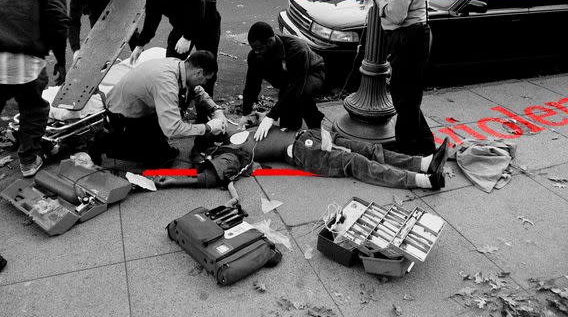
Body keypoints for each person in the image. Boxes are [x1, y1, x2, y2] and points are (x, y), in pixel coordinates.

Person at [154, 117, 450, 191]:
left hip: (307, 134)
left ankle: (423, 162)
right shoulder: (230, 150)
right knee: (356, 162)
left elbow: (205, 102)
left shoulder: (238, 128)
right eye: (213, 129)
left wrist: (263, 117)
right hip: (302, 153)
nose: (217, 125)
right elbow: (210, 176)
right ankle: (424, 181)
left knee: (368, 147)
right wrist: (176, 181)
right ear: (213, 142)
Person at [362, 0, 435, 157]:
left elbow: (395, 14)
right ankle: (425, 146)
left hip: (407, 36)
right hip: (419, 32)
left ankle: (408, 150)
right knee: (409, 96)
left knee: (404, 98)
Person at [91, 51, 227, 167]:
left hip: (143, 109)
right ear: (199, 72)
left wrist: (216, 110)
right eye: (205, 79)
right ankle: (103, 142)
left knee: (167, 152)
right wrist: (208, 128)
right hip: (122, 116)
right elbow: (172, 129)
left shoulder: (179, 66)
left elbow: (197, 90)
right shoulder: (166, 83)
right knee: (160, 160)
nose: (204, 83)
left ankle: (151, 139)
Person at [0, 0, 69, 177]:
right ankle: (28, 160)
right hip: (25, 60)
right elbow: (59, 28)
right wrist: (61, 60)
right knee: (34, 109)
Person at [122, 0, 222, 96]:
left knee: (206, 67)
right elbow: (152, 15)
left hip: (207, 21)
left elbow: (199, 3)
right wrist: (140, 44)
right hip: (182, 25)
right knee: (171, 65)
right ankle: (175, 105)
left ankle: (205, 111)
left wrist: (188, 36)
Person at [240, 22, 326, 141]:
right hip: (287, 79)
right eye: (253, 49)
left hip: (311, 73)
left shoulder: (297, 49)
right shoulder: (255, 55)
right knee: (287, 121)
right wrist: (246, 112)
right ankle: (293, 129)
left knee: (300, 96)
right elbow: (251, 84)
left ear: (270, 41)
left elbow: (296, 87)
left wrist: (271, 116)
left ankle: (314, 124)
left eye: (259, 48)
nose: (256, 52)